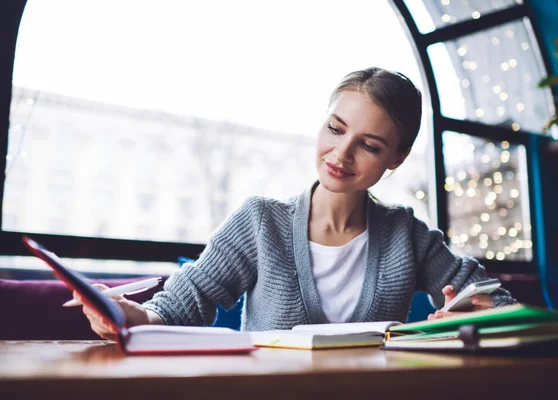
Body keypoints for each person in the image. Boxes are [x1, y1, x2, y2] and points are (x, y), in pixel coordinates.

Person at [76, 67, 517, 340]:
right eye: (335, 128)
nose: (341, 154)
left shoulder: (407, 235)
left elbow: (497, 301)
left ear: (397, 158)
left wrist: (474, 314)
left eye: (369, 145)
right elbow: (184, 304)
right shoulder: (260, 222)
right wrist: (135, 315)